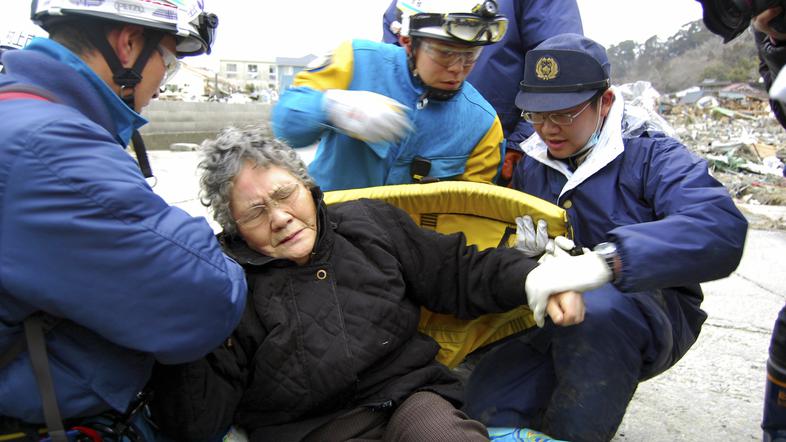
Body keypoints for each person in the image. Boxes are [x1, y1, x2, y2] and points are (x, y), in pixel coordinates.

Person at [146, 126, 617, 441]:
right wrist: (185, 329)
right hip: (307, 431)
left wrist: (537, 276)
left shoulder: (368, 224)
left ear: (308, 186)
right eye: (255, 212)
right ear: (233, 228)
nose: (281, 217)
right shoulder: (225, 282)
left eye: (286, 194)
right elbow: (196, 419)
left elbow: (458, 270)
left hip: (410, 401)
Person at [463, 33, 749, 441]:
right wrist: (535, 258)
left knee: (596, 317)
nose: (548, 129)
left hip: (647, 308)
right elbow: (526, 233)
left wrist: (604, 263)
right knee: (481, 411)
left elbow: (721, 227)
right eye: (537, 115)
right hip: (555, 310)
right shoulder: (532, 162)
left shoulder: (652, 155)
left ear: (606, 102)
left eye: (563, 114)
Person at [0, 0, 246, 438]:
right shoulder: (51, 146)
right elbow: (204, 301)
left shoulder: (23, 116)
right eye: (168, 65)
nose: (161, 87)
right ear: (129, 45)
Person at [272, 0, 508, 191]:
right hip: (327, 227)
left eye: (471, 55)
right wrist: (330, 107)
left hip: (408, 245)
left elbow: (470, 208)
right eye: (445, 53)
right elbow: (285, 126)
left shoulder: (484, 124)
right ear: (407, 41)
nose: (458, 68)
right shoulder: (355, 60)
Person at [383, 0, 584, 185]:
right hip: (408, 141)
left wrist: (522, 144)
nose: (456, 68)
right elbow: (396, 61)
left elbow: (560, 65)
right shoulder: (359, 55)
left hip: (500, 145)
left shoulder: (483, 120)